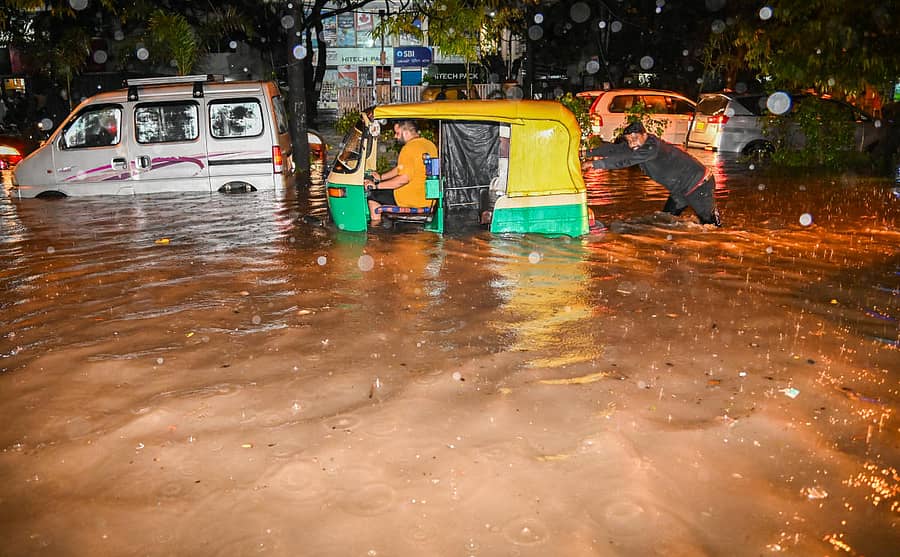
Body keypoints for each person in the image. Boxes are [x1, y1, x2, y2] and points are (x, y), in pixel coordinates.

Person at [582, 121, 721, 226]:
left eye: (635, 139)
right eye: (629, 140)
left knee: (711, 227)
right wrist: (585, 153)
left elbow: (626, 160)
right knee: (665, 222)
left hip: (699, 184)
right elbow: (614, 150)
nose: (632, 144)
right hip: (680, 190)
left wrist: (593, 164)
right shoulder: (638, 147)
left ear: (645, 135)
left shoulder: (651, 148)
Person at [364, 120, 438, 227]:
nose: (395, 136)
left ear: (406, 132)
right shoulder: (429, 145)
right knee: (384, 189)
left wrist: (375, 186)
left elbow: (403, 179)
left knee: (373, 196)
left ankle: (376, 228)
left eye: (397, 133)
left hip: (409, 199)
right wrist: (381, 177)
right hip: (428, 199)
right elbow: (401, 168)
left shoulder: (408, 148)